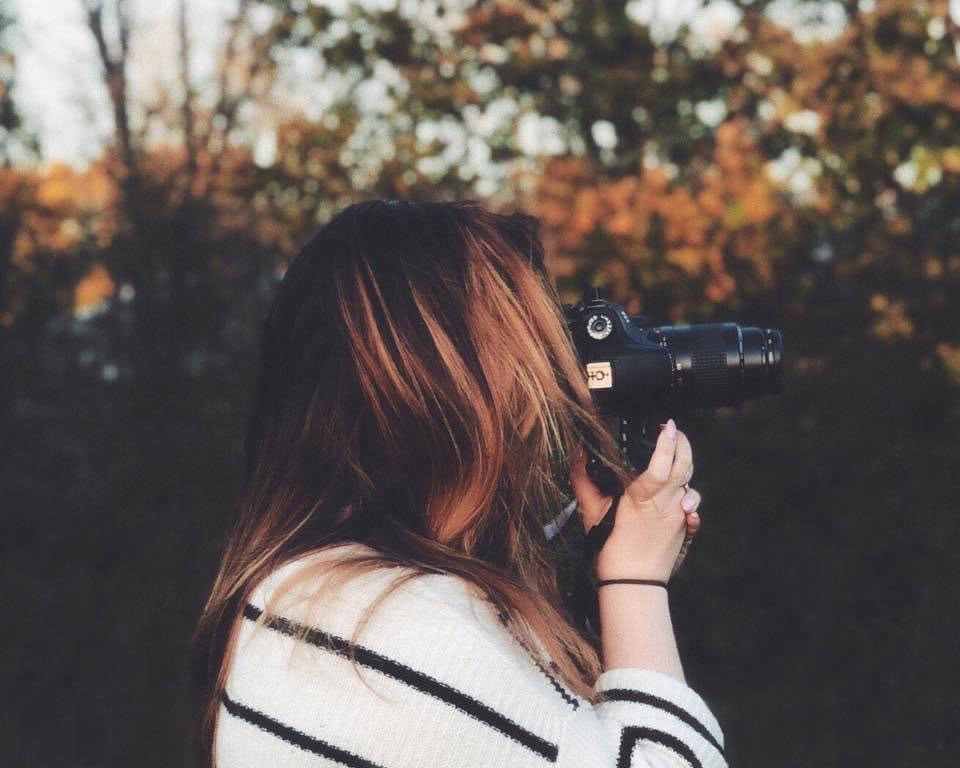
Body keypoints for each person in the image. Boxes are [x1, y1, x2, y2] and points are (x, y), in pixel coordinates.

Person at [192, 199, 723, 768]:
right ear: (450, 393)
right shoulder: (400, 628)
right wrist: (635, 580)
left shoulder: (303, 595)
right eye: (523, 356)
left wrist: (594, 558)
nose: (545, 392)